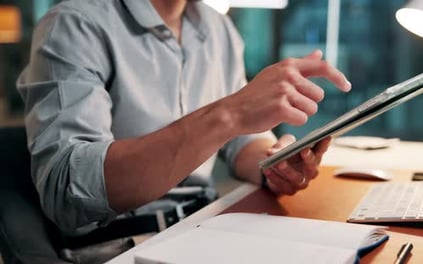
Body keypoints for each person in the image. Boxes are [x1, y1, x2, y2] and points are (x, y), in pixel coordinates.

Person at [17, 0, 351, 235]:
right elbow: (68, 192)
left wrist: (274, 164)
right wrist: (230, 112)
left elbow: (241, 142)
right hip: (119, 242)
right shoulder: (75, 23)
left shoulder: (218, 28)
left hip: (207, 224)